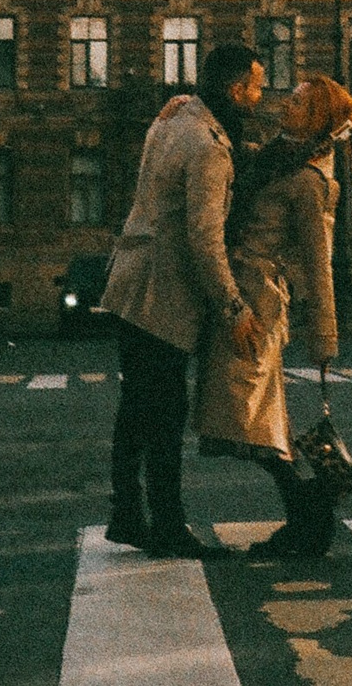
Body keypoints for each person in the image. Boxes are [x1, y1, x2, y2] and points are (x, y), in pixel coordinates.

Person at [97, 42, 265, 558]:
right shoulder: (209, 145)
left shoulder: (169, 121)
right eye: (257, 87)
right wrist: (234, 308)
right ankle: (167, 524)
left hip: (130, 281)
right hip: (164, 294)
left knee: (136, 410)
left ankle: (127, 513)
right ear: (236, 91)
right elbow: (204, 238)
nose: (261, 97)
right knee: (165, 414)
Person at [194, 74, 352, 560]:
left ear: (316, 116)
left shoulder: (310, 180)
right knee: (249, 418)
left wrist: (324, 339)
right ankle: (306, 514)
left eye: (297, 100)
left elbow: (318, 262)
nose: (284, 102)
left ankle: (309, 514)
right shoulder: (279, 157)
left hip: (259, 303)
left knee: (251, 417)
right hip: (240, 293)